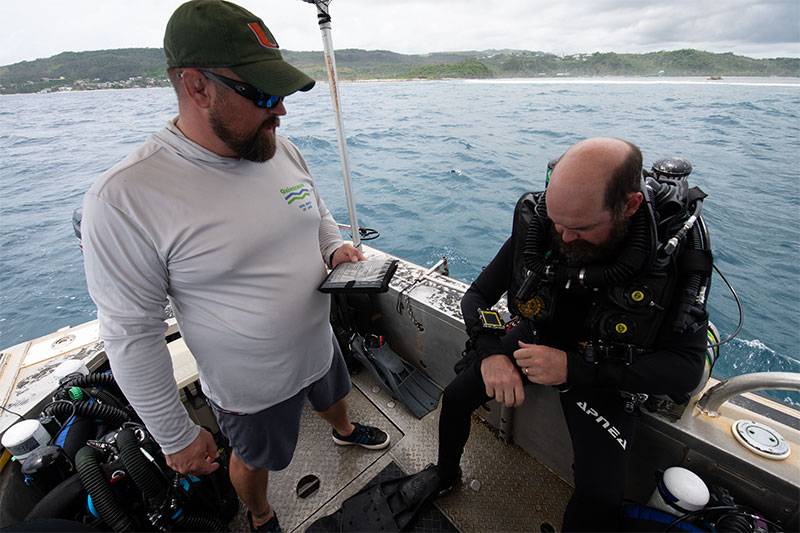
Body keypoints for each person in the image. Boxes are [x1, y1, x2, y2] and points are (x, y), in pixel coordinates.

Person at [81, 1, 389, 531]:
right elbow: (132, 335)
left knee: (336, 395)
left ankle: (342, 429)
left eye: (283, 96)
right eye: (265, 95)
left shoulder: (280, 148)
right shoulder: (125, 198)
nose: (281, 112)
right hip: (253, 389)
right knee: (258, 461)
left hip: (320, 343)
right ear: (197, 86)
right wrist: (175, 436)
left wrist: (334, 248)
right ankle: (261, 513)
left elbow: (317, 213)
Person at [429, 137, 709, 530]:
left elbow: (686, 368)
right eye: (557, 223)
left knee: (600, 496)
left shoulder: (670, 255)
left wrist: (576, 370)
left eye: (579, 228)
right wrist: (491, 352)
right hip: (537, 335)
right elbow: (477, 296)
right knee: (456, 397)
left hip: (607, 368)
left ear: (628, 206)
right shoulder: (546, 224)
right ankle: (444, 474)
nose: (563, 238)